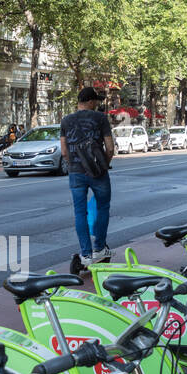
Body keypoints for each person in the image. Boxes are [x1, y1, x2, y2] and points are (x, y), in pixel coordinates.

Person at [60, 87, 115, 265]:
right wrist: (103, 164)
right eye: (96, 101)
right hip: (98, 171)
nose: (97, 104)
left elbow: (64, 151)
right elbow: (110, 147)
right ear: (91, 102)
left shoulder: (66, 121)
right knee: (102, 207)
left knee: (79, 213)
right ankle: (99, 248)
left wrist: (72, 166)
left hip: (76, 172)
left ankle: (86, 254)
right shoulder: (100, 118)